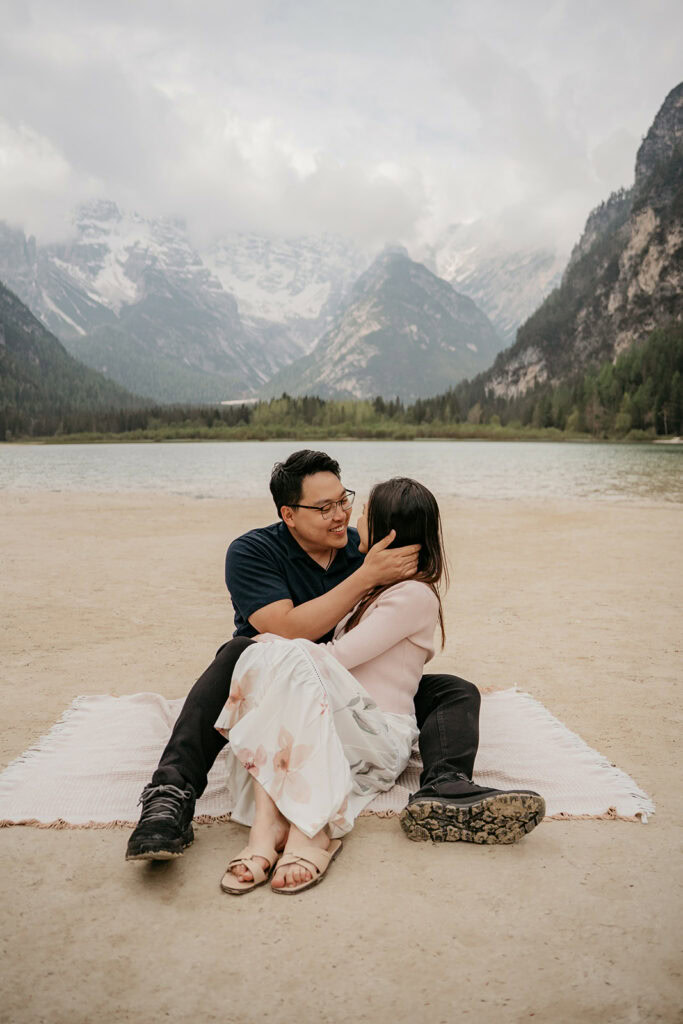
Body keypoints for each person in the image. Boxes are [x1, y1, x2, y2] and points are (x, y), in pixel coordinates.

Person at [125, 450, 544, 867]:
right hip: (280, 683)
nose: (340, 515)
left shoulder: (360, 549)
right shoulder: (255, 552)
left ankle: (446, 784)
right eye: (325, 508)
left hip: (352, 687)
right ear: (289, 514)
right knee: (236, 652)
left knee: (453, 690)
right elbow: (284, 629)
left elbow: (404, 601)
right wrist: (366, 576)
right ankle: (170, 794)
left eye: (344, 501)